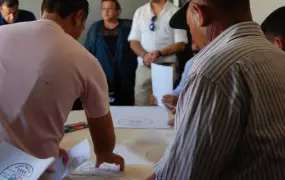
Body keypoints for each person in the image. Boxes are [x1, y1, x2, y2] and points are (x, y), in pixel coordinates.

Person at [148, 0, 285, 179]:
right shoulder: (278, 56)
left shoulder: (212, 70)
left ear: (199, 13)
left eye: (189, 28)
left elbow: (183, 174)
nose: (193, 37)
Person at [0, 0, 124, 179]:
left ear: (43, 9)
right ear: (78, 16)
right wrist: (105, 154)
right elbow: (103, 137)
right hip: (34, 172)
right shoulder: (85, 60)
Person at [128, 0, 188, 106]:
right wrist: (144, 55)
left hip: (166, 69)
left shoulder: (175, 11)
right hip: (144, 68)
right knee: (140, 106)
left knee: (164, 107)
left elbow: (181, 44)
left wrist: (160, 53)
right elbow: (133, 42)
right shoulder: (140, 12)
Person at [85, 0, 137, 106]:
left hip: (125, 78)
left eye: (109, 9)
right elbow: (87, 53)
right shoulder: (95, 29)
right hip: (102, 77)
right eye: (103, 9)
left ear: (117, 11)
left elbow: (135, 49)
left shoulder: (128, 27)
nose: (106, 12)